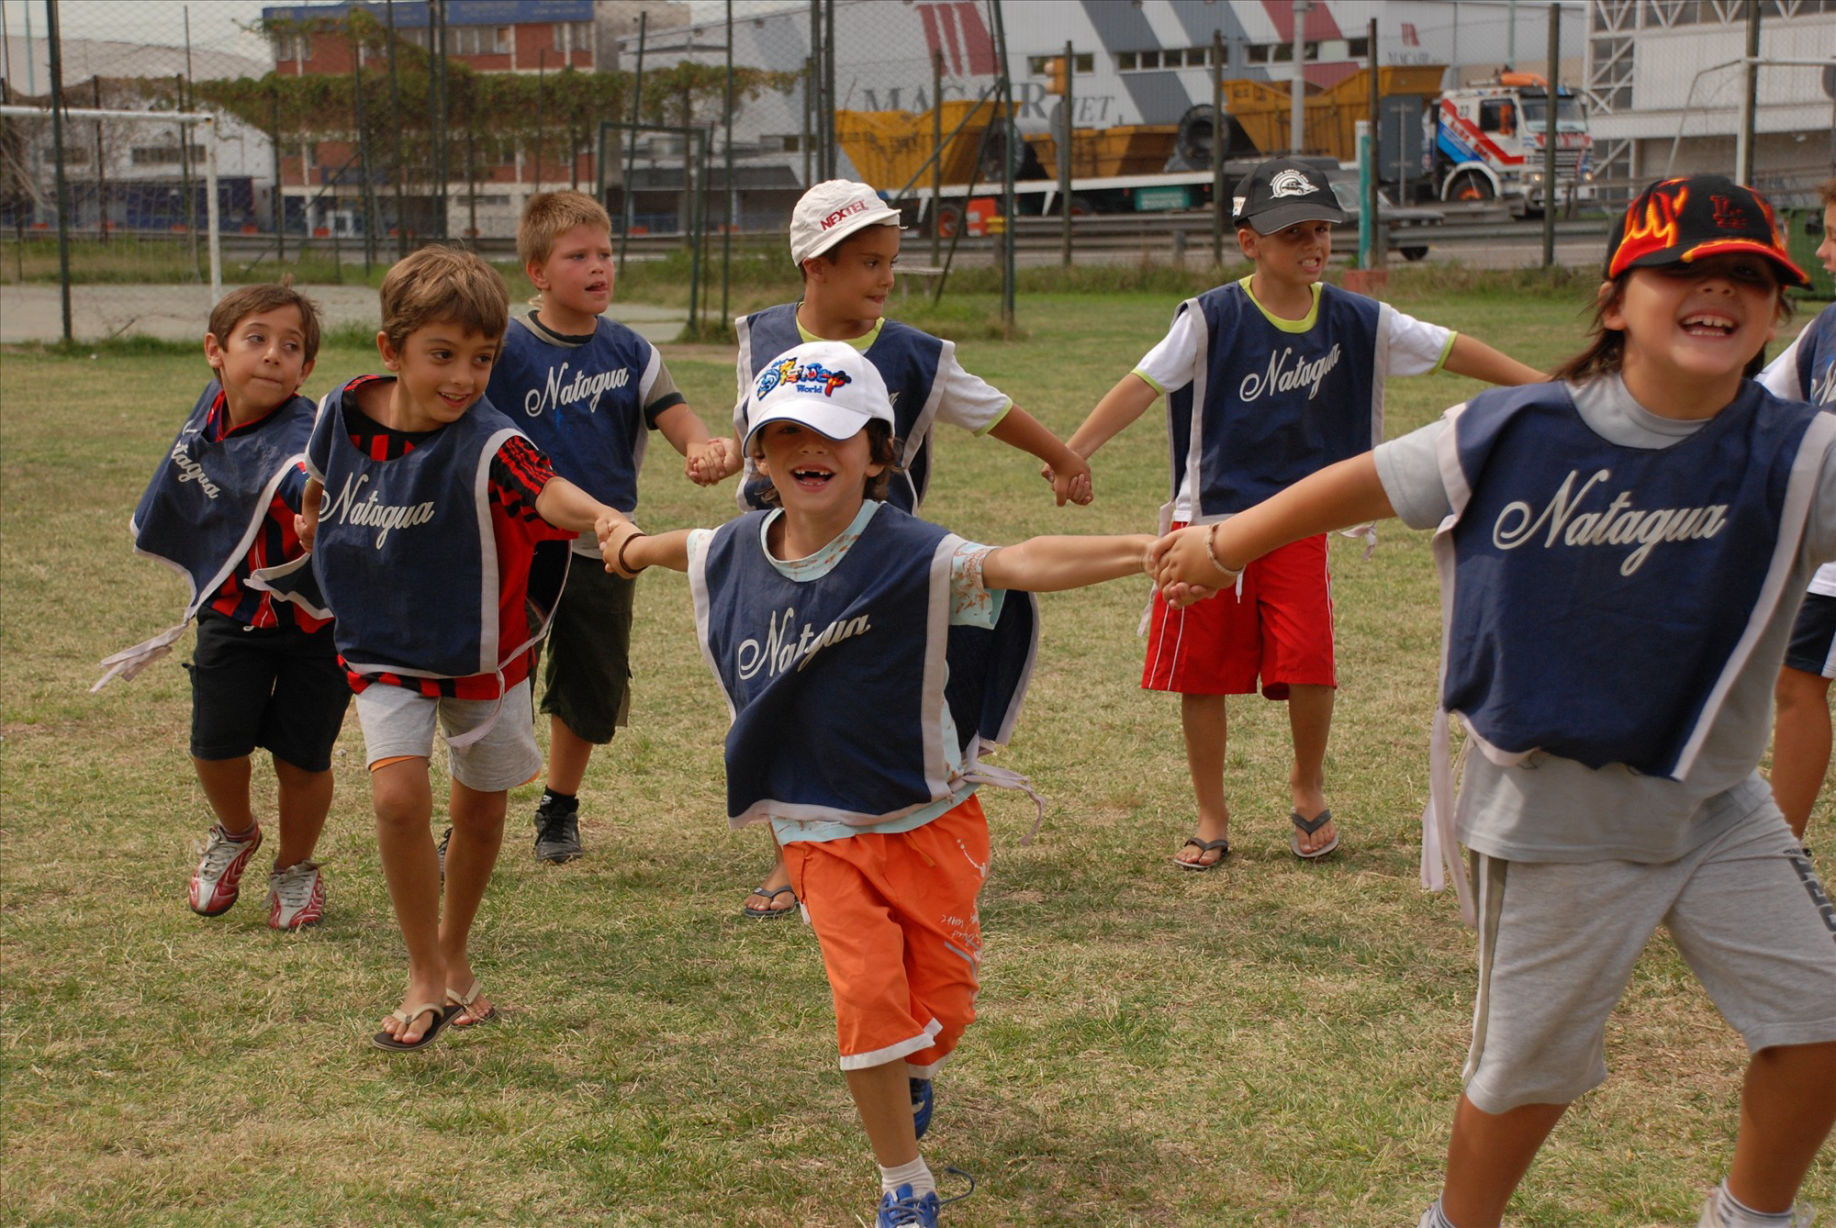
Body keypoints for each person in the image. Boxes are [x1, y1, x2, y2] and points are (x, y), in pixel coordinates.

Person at [1151, 174, 1836, 1228]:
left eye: (1752, 277)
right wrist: (1222, 542)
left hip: (1714, 805)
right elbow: (1366, 478)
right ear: (1616, 302)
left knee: (1821, 1022)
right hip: (1561, 817)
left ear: (1777, 314)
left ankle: (1751, 1215)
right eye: (1684, 270)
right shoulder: (1517, 432)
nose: (1720, 291)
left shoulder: (1798, 457)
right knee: (1528, 1076)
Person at [600, 340, 1154, 1228]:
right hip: (817, 828)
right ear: (757, 455)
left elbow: (1021, 563)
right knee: (865, 1000)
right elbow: (686, 548)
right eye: (779, 434)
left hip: (931, 816)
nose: (803, 449)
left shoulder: (915, 554)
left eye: (828, 432)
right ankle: (905, 1179)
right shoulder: (741, 546)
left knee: (942, 1003)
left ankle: (917, 1068)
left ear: (878, 451)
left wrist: (1141, 551)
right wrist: (628, 549)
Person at [1062, 156, 1545, 870]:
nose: (1312, 244)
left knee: (1310, 662)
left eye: (1321, 229)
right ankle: (1210, 811)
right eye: (1292, 232)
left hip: (1295, 522)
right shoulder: (1211, 317)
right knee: (1204, 673)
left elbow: (1447, 349)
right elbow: (1143, 382)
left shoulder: (1356, 318)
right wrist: (1075, 450)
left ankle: (1308, 785)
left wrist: (1544, 391)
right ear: (1249, 241)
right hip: (1208, 523)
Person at [270, 246, 623, 1050]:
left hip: (480, 653)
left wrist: (604, 516)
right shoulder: (342, 411)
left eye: (482, 359)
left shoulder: (492, 441)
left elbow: (546, 492)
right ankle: (423, 970)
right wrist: (310, 513)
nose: (464, 378)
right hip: (384, 644)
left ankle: (456, 955)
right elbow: (319, 475)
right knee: (397, 800)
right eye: (443, 356)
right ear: (392, 351)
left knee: (480, 809)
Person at [729, 178, 1095, 918]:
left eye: (890, 260)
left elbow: (991, 409)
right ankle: (792, 851)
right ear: (816, 266)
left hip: (879, 571)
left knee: (865, 705)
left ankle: (899, 833)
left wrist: (1062, 456)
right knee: (783, 702)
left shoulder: (917, 356)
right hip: (780, 563)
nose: (887, 278)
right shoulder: (763, 338)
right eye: (869, 262)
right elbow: (749, 436)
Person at [485, 190, 737, 866]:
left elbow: (675, 414)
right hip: (513, 547)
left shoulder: (630, 350)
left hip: (602, 549)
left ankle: (559, 807)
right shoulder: (504, 346)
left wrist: (702, 448)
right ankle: (474, 808)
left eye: (605, 254)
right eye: (578, 256)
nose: (598, 267)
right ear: (538, 272)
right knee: (498, 682)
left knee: (590, 684)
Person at [96, 281, 350, 930]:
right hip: (233, 615)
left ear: (306, 369)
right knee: (214, 745)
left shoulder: (308, 440)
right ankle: (236, 833)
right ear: (216, 351)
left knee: (303, 759)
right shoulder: (211, 409)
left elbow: (311, 482)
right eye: (256, 339)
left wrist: (322, 507)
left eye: (290, 347)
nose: (272, 356)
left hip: (315, 626)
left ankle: (296, 869)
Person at [1761, 177, 1836, 850]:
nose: (1826, 252)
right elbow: (1765, 396)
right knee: (1794, 680)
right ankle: (1781, 848)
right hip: (1824, 555)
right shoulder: (1829, 326)